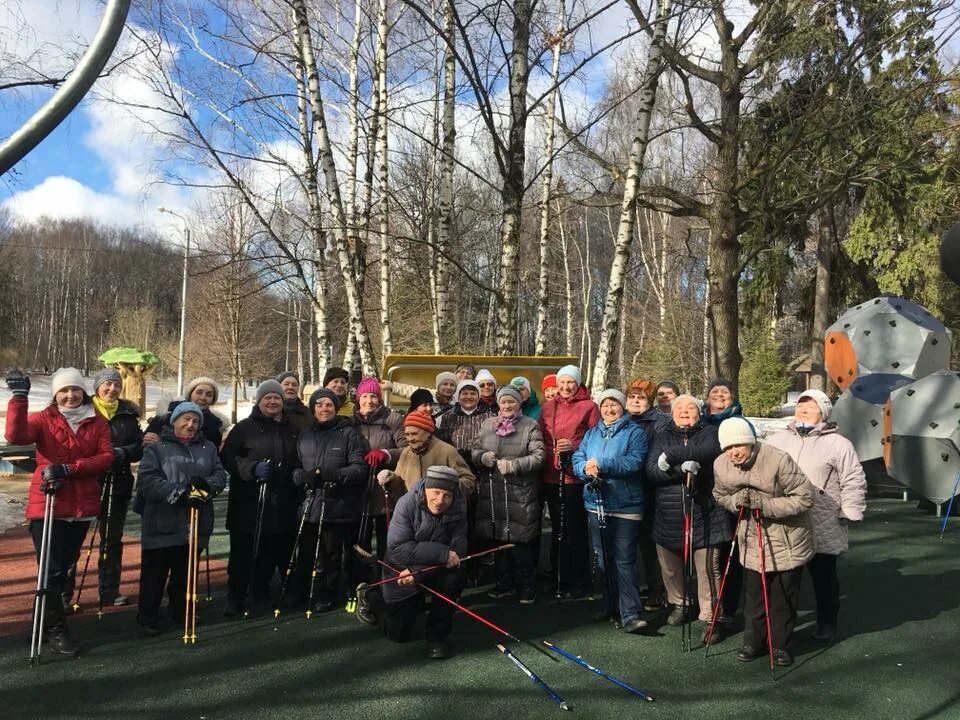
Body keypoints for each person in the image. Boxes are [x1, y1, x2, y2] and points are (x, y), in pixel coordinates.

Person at [5, 368, 113, 655]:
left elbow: (104, 457)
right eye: (64, 390)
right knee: (51, 570)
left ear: (83, 392)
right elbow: (16, 435)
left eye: (75, 390)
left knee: (64, 566)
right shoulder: (43, 418)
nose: (70, 395)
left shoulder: (96, 421)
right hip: (48, 502)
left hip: (81, 505)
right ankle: (56, 630)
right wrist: (18, 399)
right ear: (56, 394)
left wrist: (71, 468)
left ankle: (40, 624)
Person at [765, 388, 866, 644]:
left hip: (822, 517)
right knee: (787, 579)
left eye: (810, 407)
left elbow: (853, 479)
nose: (803, 410)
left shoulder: (838, 443)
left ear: (823, 412)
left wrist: (849, 511)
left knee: (823, 577)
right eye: (800, 406)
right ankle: (781, 630)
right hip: (786, 518)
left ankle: (827, 624)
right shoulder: (777, 440)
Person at [713, 417, 814, 666]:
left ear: (750, 443)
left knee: (782, 597)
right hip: (750, 536)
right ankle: (753, 642)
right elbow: (719, 494)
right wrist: (735, 501)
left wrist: (765, 505)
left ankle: (781, 646)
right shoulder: (720, 464)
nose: (733, 452)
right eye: (728, 447)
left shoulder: (778, 459)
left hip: (786, 538)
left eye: (739, 446)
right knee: (754, 596)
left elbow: (804, 497)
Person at [135, 402, 228, 635]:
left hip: (194, 520)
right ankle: (148, 616)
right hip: (162, 521)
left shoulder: (208, 447)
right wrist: (178, 493)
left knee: (185, 572)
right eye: (185, 419)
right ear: (174, 421)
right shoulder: (157, 448)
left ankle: (181, 610)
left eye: (195, 421)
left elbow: (219, 475)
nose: (190, 424)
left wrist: (203, 490)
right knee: (154, 574)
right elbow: (147, 480)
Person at [645, 394, 729, 636]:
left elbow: (708, 451)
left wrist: (671, 458)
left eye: (690, 407)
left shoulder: (711, 431)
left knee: (707, 570)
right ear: (671, 413)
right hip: (669, 513)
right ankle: (680, 603)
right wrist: (680, 470)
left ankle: (712, 616)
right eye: (678, 408)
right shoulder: (662, 435)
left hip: (706, 511)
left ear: (699, 412)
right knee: (670, 567)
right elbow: (652, 470)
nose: (684, 411)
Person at [219, 380, 301, 617]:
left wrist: (295, 474)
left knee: (273, 549)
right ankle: (235, 597)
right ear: (259, 401)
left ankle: (263, 591)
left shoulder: (293, 428)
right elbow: (228, 457)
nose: (273, 402)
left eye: (276, 398)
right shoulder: (244, 428)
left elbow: (300, 457)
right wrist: (250, 468)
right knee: (243, 553)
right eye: (268, 398)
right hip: (249, 501)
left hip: (281, 500)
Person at [574, 389, 648, 633]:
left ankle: (630, 613)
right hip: (596, 503)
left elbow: (634, 462)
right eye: (605, 405)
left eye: (614, 405)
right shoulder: (592, 433)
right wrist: (585, 468)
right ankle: (610, 604)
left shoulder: (635, 432)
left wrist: (602, 464)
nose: (609, 409)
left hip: (625, 506)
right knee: (603, 559)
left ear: (622, 407)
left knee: (624, 560)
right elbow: (578, 458)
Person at [290, 387, 368, 613]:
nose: (324, 409)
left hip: (338, 504)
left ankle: (327, 593)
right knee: (306, 551)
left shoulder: (348, 433)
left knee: (330, 553)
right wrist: (300, 477)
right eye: (319, 405)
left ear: (335, 408)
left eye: (329, 405)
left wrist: (336, 475)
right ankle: (302, 591)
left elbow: (359, 468)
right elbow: (294, 467)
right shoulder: (305, 434)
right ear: (313, 408)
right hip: (310, 502)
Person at [379, 465, 468, 659]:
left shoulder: (459, 506)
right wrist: (441, 554)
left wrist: (419, 573)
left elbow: (458, 552)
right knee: (397, 634)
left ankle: (437, 636)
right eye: (436, 492)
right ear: (426, 488)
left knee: (455, 576)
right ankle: (371, 599)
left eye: (447, 495)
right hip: (401, 568)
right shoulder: (406, 503)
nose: (440, 501)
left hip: (431, 569)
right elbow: (397, 549)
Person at [472, 386, 545, 604]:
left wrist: (514, 465)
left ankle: (527, 587)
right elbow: (475, 450)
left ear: (519, 403)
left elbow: (539, 456)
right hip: (493, 492)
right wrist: (483, 457)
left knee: (520, 543)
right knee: (498, 541)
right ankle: (504, 584)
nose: (506, 406)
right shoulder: (488, 424)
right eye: (503, 402)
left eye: (511, 402)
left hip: (519, 493)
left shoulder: (530, 426)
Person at [539, 364, 600, 599]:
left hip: (575, 477)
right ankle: (559, 577)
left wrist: (571, 447)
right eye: (562, 382)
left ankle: (580, 580)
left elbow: (594, 438)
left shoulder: (589, 407)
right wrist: (552, 453)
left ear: (578, 384)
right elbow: (540, 438)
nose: (565, 387)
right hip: (552, 476)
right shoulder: (547, 408)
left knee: (575, 530)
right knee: (557, 529)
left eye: (570, 382)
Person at [90, 368, 144, 607]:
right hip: (87, 481)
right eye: (107, 385)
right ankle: (64, 592)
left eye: (116, 385)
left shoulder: (128, 414)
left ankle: (109, 589)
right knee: (75, 539)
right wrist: (100, 457)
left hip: (118, 481)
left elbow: (139, 446)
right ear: (97, 387)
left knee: (111, 539)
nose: (112, 389)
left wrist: (122, 454)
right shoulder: (84, 410)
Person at [352, 376, 406, 567]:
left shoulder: (393, 419)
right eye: (365, 396)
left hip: (387, 490)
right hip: (360, 491)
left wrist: (386, 454)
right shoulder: (350, 422)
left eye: (374, 396)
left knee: (387, 539)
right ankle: (362, 582)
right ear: (358, 398)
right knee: (361, 541)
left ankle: (387, 580)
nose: (369, 401)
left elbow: (407, 450)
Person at [625, 377, 665, 611]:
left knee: (649, 543)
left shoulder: (658, 423)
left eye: (641, 398)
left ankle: (656, 589)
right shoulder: (622, 420)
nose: (636, 401)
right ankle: (635, 587)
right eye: (632, 397)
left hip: (650, 489)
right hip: (626, 490)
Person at [380, 411, 476, 496]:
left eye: (414, 434)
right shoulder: (406, 452)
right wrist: (391, 478)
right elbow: (400, 483)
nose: (410, 439)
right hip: (413, 512)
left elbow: (469, 481)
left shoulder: (447, 451)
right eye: (407, 435)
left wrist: (446, 487)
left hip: (442, 512)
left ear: (428, 432)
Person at [144, 377, 224, 447]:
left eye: (209, 395)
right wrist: (148, 441)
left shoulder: (215, 425)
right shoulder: (168, 412)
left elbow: (214, 457)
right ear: (190, 394)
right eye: (199, 392)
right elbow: (141, 447)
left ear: (213, 400)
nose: (203, 397)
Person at [435, 379, 495, 457]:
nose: (469, 397)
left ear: (478, 396)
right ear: (458, 396)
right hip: (455, 462)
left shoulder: (489, 416)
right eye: (465, 393)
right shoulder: (448, 416)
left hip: (482, 463)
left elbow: (493, 442)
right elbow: (443, 442)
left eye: (473, 394)